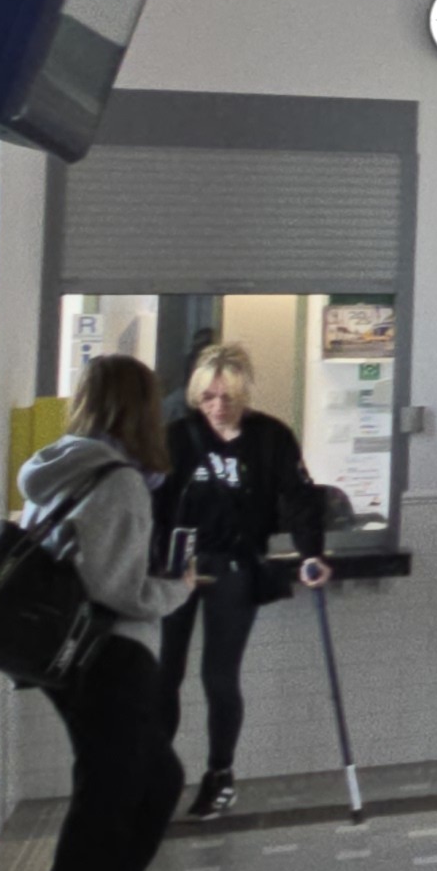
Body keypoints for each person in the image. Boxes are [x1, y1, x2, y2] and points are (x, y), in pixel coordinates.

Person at [17, 355, 200, 871]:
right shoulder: (118, 481)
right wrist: (178, 588)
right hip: (111, 655)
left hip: (68, 656)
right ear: (142, 408)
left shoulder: (62, 466)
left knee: (148, 781)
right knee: (115, 794)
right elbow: (121, 590)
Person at [155, 342, 332, 819]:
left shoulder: (270, 438)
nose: (217, 407)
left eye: (227, 398)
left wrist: (311, 554)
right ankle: (155, 773)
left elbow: (299, 498)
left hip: (234, 564)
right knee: (165, 673)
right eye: (208, 397)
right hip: (179, 565)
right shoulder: (179, 437)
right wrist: (153, 559)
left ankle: (220, 774)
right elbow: (156, 503)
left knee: (219, 674)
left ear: (244, 395)